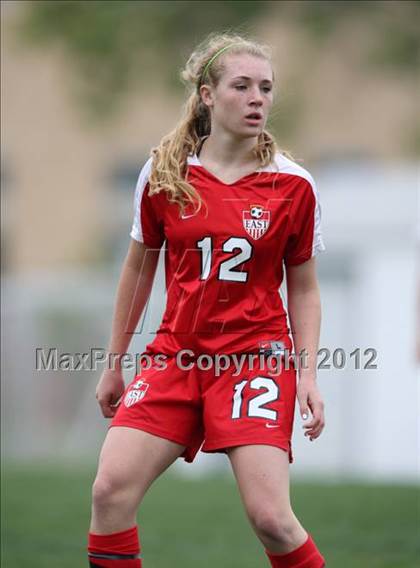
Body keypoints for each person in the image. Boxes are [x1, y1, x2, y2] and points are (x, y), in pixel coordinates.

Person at [87, 32, 326, 568]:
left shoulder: (294, 186)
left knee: (271, 519)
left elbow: (305, 289)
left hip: (253, 358)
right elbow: (137, 272)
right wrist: (114, 363)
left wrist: (308, 375)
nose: (257, 98)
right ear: (207, 95)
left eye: (265, 88)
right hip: (177, 355)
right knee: (109, 493)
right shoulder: (164, 174)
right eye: (241, 86)